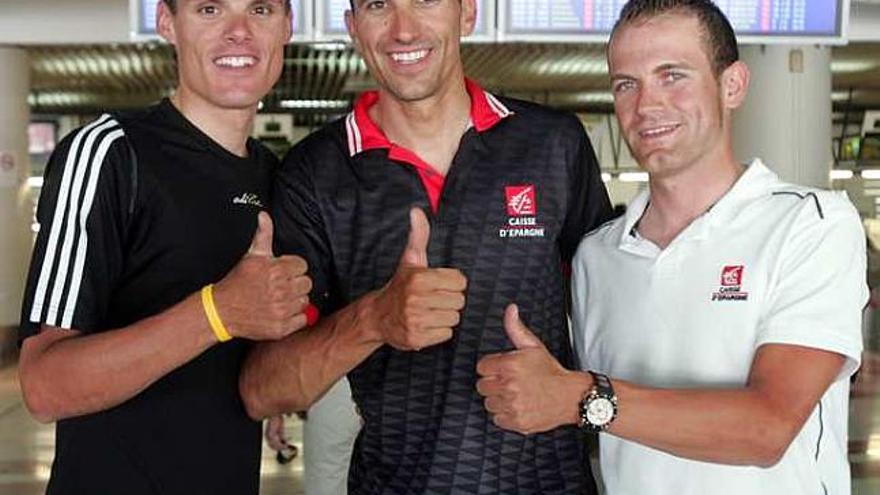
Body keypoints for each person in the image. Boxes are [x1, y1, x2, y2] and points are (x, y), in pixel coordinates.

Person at [475, 1, 868, 494]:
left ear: (733, 85)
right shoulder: (598, 256)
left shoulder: (809, 224)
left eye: (672, 75)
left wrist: (580, 396)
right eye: (626, 84)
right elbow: (600, 425)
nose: (646, 105)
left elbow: (767, 429)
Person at [239, 0, 612, 492]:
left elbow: (614, 317)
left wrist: (577, 396)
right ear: (353, 27)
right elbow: (263, 390)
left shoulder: (553, 145)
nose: (404, 29)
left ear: (467, 13)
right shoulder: (314, 175)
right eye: (378, 6)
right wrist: (372, 320)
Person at [17, 1, 312, 494]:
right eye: (210, 9)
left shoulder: (275, 177)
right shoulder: (110, 154)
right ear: (167, 23)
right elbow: (44, 387)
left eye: (259, 9)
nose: (239, 32)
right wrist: (216, 312)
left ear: (286, 26)